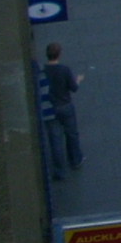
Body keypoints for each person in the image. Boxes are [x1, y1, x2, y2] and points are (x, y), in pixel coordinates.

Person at [41, 43, 84, 176]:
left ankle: (59, 170)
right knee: (71, 134)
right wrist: (78, 80)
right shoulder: (64, 70)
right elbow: (74, 88)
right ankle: (75, 160)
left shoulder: (42, 71)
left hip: (49, 108)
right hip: (65, 106)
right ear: (59, 54)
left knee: (55, 139)